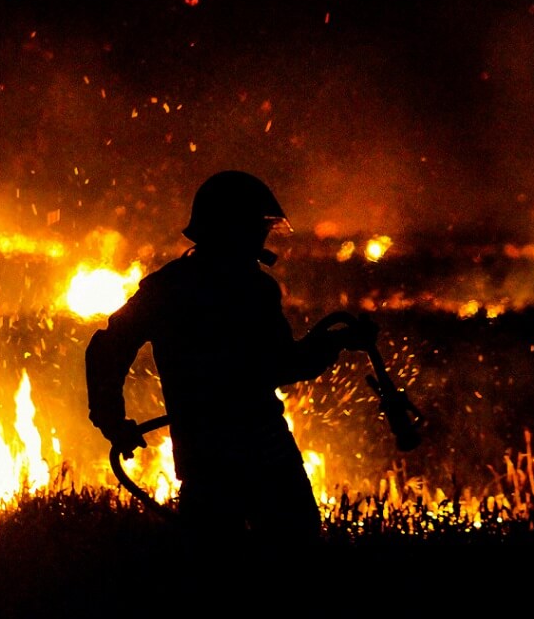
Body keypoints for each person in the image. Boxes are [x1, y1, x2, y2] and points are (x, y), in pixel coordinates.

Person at [84, 170, 359, 550]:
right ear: (233, 229)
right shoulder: (254, 290)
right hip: (263, 457)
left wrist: (112, 420)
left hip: (205, 460)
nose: (262, 238)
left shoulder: (168, 287)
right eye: (255, 227)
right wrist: (334, 344)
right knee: (292, 561)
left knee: (213, 572)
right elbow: (282, 365)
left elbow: (107, 348)